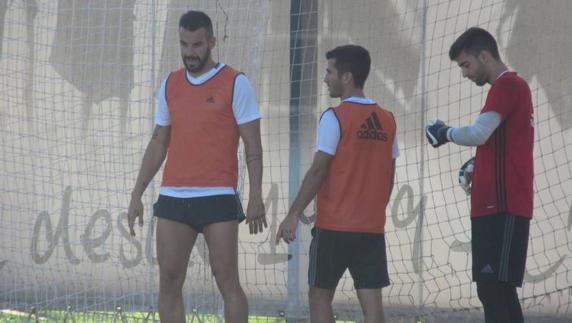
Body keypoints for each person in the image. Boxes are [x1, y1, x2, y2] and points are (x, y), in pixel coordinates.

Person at [126, 10, 267, 323]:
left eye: (197, 45)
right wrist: (137, 193)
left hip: (218, 195)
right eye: (184, 44)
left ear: (212, 42)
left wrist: (255, 195)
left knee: (226, 280)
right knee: (170, 280)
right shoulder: (170, 84)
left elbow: (253, 148)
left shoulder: (236, 82)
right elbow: (158, 143)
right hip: (174, 197)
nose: (189, 52)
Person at [276, 45, 399, 323]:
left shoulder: (334, 117)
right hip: (371, 229)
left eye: (329, 71)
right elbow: (390, 177)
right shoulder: (388, 120)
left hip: (334, 228)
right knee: (372, 304)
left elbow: (318, 171)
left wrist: (293, 214)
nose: (325, 78)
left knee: (319, 297)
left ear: (347, 77)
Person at [425, 27, 533, 323]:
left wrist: (444, 132)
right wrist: (477, 164)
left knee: (494, 290)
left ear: (484, 56)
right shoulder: (505, 89)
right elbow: (498, 142)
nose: (464, 73)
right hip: (493, 207)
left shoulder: (508, 85)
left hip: (504, 207)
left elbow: (479, 132)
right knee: (497, 291)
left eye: (466, 64)